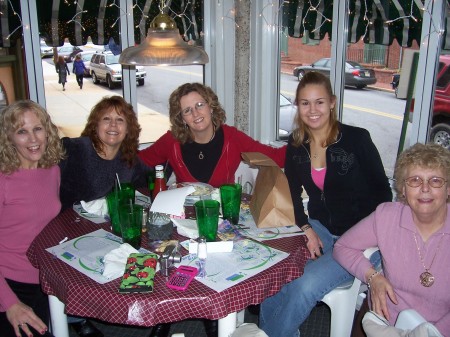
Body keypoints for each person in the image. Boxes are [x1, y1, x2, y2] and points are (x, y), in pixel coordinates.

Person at [259, 71, 393, 337]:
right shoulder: (296, 145)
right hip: (320, 227)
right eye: (305, 103)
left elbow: (384, 197)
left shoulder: (357, 140)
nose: (312, 110)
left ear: (332, 102)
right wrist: (306, 228)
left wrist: (366, 239)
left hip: (360, 240)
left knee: (304, 285)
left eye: (319, 102)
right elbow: (290, 195)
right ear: (298, 105)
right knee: (272, 270)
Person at [333, 143, 450, 336]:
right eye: (415, 180)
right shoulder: (386, 217)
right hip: (386, 323)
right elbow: (342, 246)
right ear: (403, 189)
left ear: (448, 189)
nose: (425, 189)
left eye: (436, 181)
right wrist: (373, 277)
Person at [138, 82, 286, 188]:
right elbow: (137, 162)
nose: (195, 113)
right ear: (182, 118)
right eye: (187, 110)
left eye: (200, 105)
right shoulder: (172, 141)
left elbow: (276, 158)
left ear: (211, 107)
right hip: (183, 218)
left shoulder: (232, 138)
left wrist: (306, 137)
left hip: (223, 220)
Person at [0, 100, 65, 337]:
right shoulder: (3, 179)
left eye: (38, 129)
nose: (33, 139)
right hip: (8, 285)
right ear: (9, 138)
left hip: (42, 279)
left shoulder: (52, 170)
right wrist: (10, 304)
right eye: (22, 132)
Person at [59, 95, 149, 211]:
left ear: (128, 129)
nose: (113, 124)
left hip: (102, 224)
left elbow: (154, 176)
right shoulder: (73, 149)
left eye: (120, 120)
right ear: (95, 126)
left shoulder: (129, 159)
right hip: (63, 222)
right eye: (106, 119)